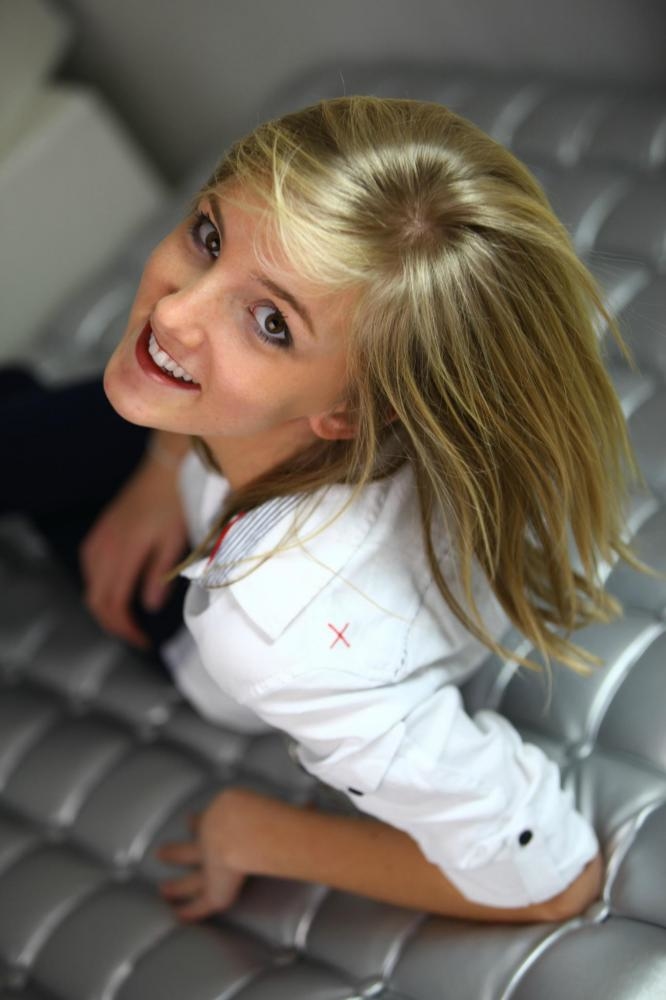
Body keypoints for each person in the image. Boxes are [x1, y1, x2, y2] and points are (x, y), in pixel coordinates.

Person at [80, 96, 647, 922]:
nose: (172, 310)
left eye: (271, 323)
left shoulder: (279, 641)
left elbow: (552, 877)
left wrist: (253, 833)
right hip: (204, 453)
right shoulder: (424, 369)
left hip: (183, 606)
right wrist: (163, 464)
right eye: (209, 237)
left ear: (349, 414)